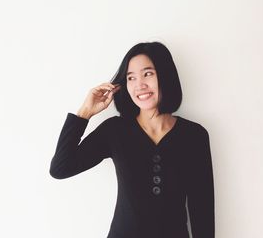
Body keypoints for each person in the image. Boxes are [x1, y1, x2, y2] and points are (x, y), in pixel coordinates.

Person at [49, 41, 215, 238]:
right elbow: (60, 168)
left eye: (148, 74)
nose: (140, 85)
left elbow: (202, 210)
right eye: (131, 78)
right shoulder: (115, 131)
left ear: (165, 75)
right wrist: (85, 112)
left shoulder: (194, 136)